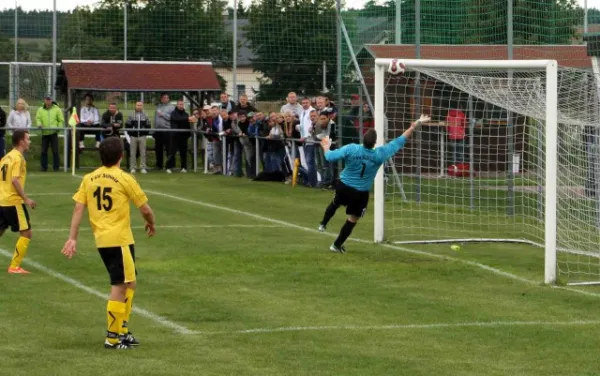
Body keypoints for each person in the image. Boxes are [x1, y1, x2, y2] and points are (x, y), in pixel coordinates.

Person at [60, 137, 156, 350]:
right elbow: (145, 209)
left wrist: (72, 237)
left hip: (106, 239)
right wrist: (151, 223)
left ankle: (122, 329)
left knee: (130, 282)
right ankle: (112, 337)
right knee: (120, 285)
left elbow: (78, 209)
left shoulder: (89, 178)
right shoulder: (124, 178)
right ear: (121, 156)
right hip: (118, 239)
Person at [318, 114, 431, 253]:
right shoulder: (380, 154)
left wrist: (326, 146)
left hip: (344, 186)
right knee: (352, 219)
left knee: (335, 203)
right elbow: (400, 140)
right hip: (360, 192)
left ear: (363, 138)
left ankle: (323, 224)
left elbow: (330, 157)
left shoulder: (352, 148)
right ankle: (336, 245)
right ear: (375, 142)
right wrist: (416, 124)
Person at [0, 130, 36, 273]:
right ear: (21, 141)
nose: (29, 141)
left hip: (2, 200)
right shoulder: (18, 158)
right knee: (26, 233)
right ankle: (14, 266)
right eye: (28, 139)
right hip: (13, 202)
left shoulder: (6, 157)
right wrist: (26, 199)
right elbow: (14, 179)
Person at [35, 96, 63, 172]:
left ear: (51, 100)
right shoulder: (40, 110)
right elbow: (38, 119)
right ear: (44, 100)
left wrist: (58, 128)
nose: (48, 101)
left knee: (55, 151)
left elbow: (61, 120)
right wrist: (39, 124)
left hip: (53, 133)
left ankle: (56, 168)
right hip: (45, 133)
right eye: (46, 99)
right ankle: (44, 167)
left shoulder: (57, 109)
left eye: (49, 99)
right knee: (43, 151)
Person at [166, 100, 191, 173]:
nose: (181, 106)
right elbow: (177, 119)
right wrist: (187, 119)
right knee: (172, 152)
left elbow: (187, 125)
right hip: (175, 136)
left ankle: (184, 167)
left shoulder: (186, 114)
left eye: (182, 104)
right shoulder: (173, 113)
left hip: (183, 136)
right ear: (177, 105)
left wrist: (188, 134)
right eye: (179, 104)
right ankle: (168, 167)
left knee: (183, 152)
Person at [126, 101, 151, 174]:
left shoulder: (145, 114)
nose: (139, 106)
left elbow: (148, 125)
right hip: (133, 137)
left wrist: (144, 133)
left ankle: (143, 167)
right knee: (132, 153)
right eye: (138, 105)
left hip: (142, 137)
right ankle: (133, 168)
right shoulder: (131, 114)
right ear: (135, 105)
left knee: (143, 153)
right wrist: (131, 133)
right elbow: (127, 125)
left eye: (140, 105)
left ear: (142, 106)